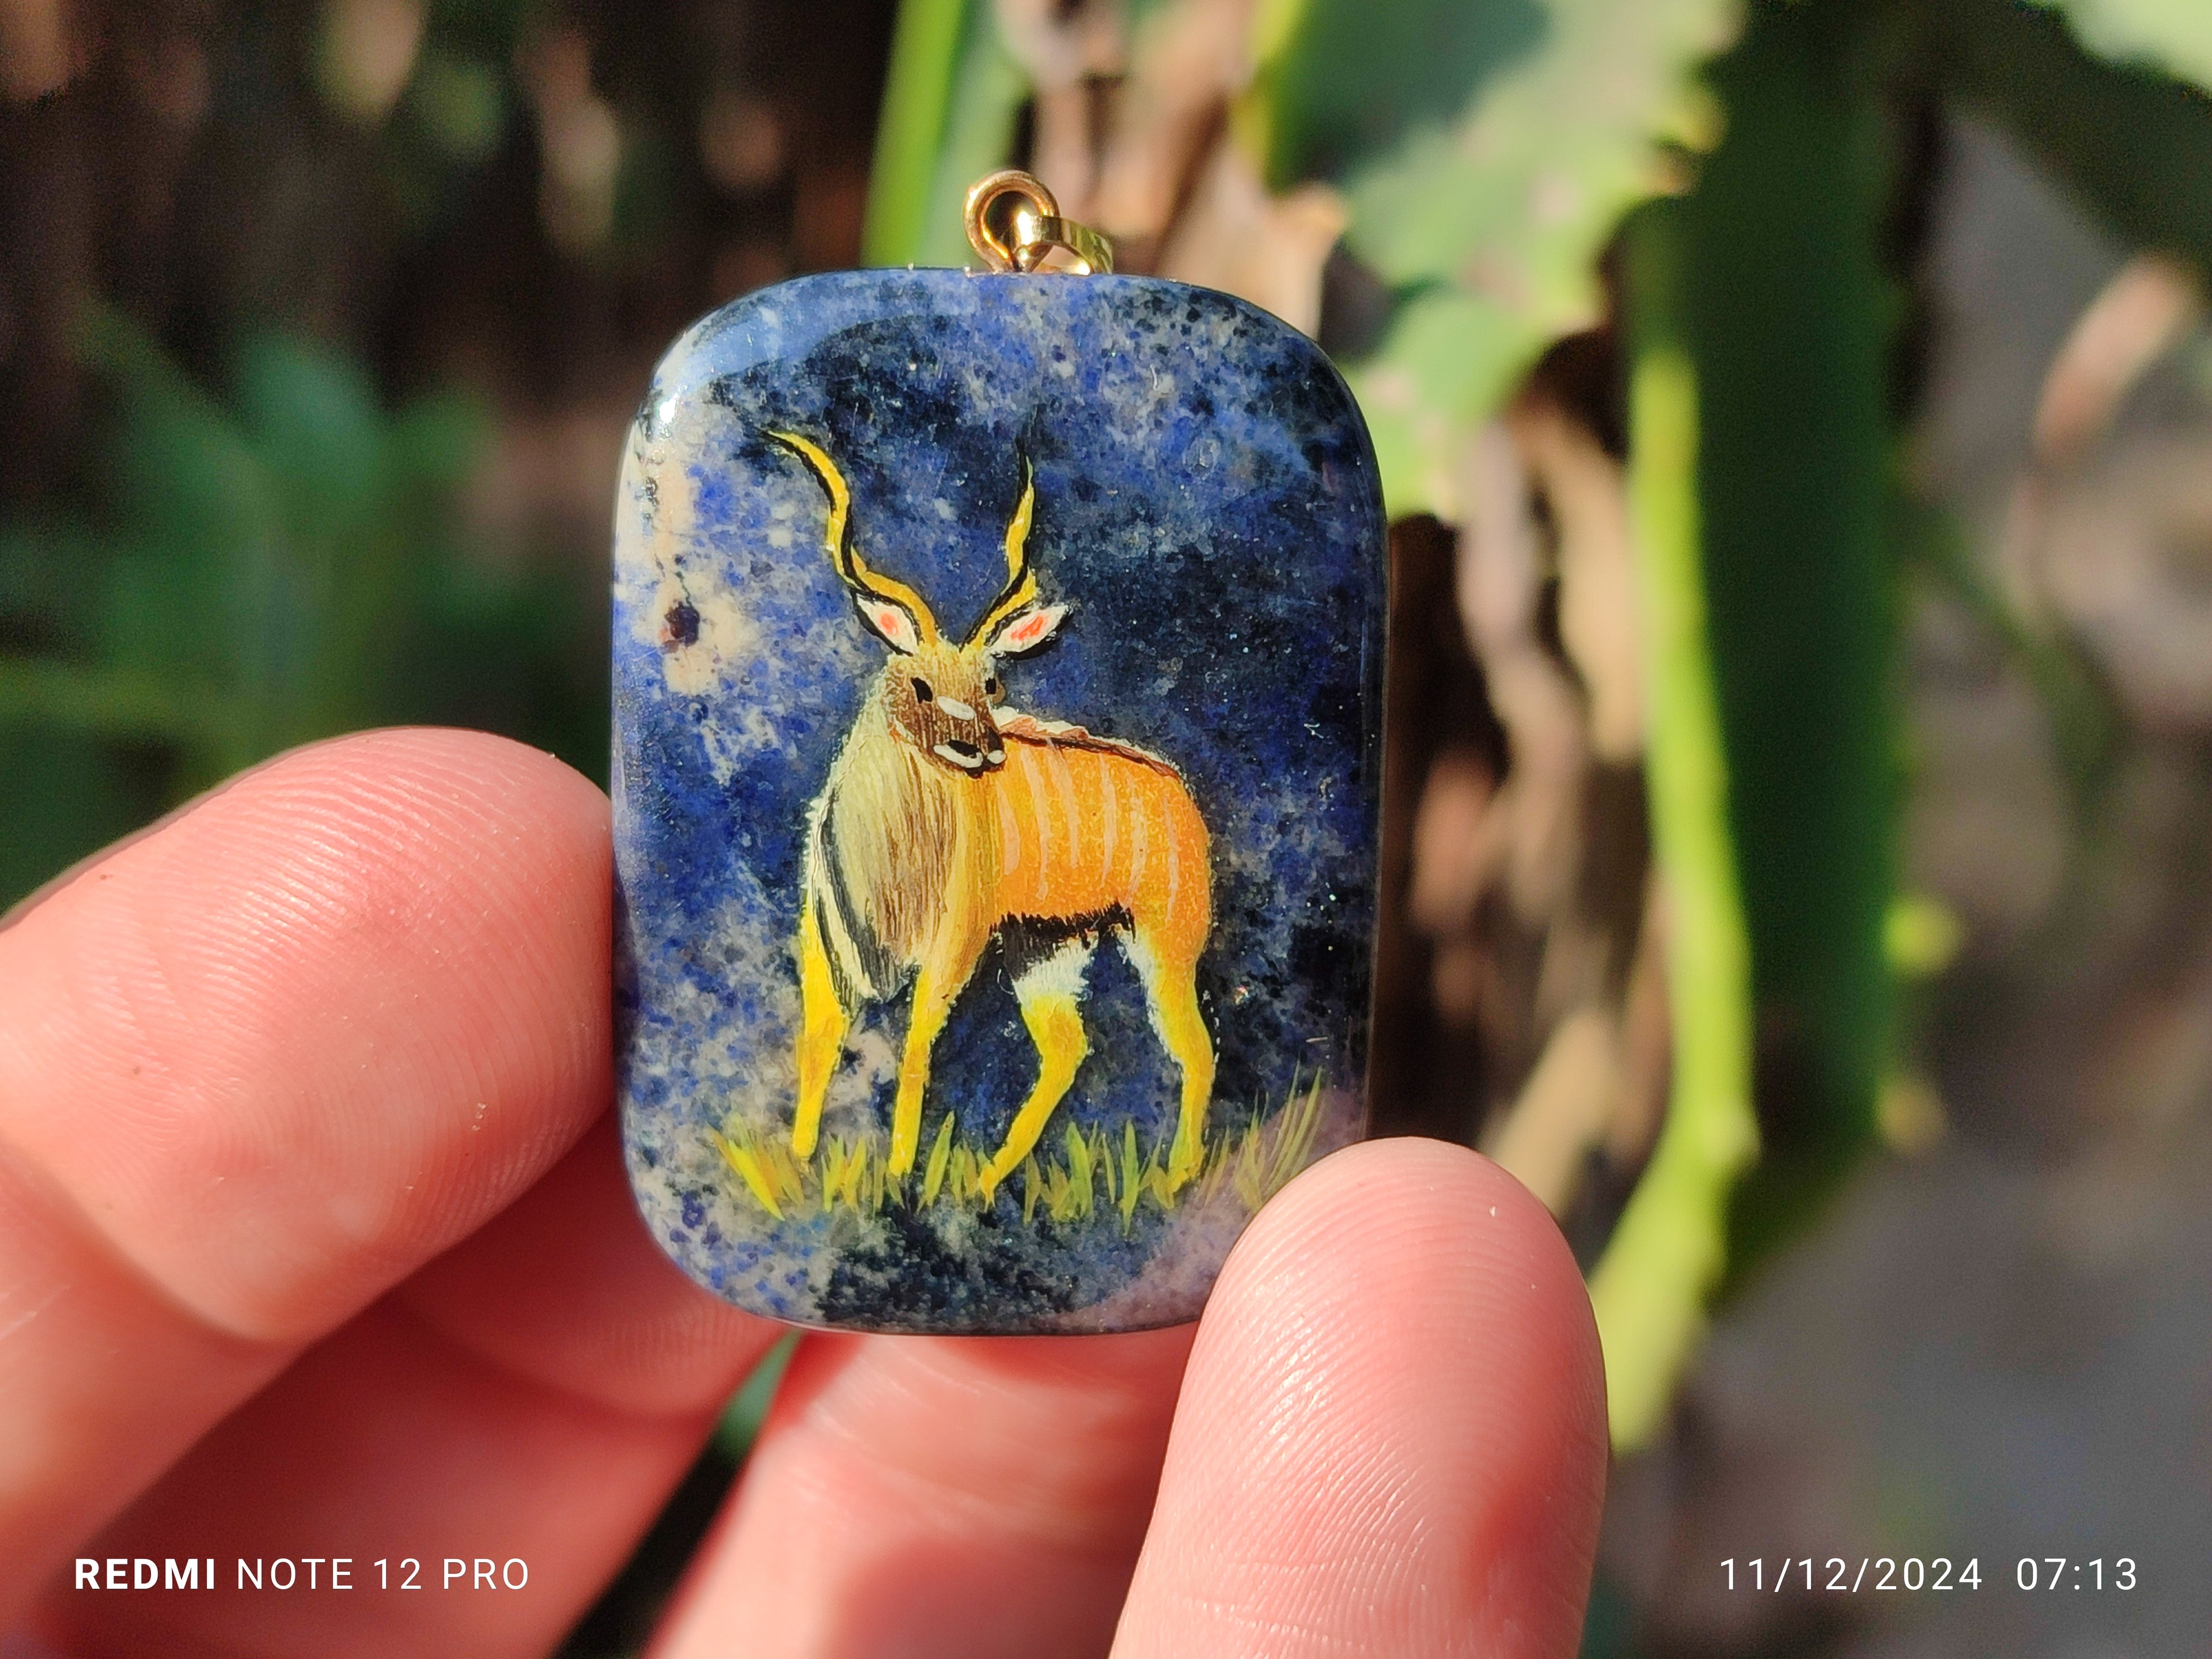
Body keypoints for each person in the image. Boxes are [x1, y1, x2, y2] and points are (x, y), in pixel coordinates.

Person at [0, 729, 1608, 1657]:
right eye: (936, 695)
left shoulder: (1088, 797)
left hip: (1102, 874)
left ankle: (1152, 1117)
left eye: (988, 688)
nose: (970, 717)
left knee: (1154, 1030)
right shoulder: (874, 812)